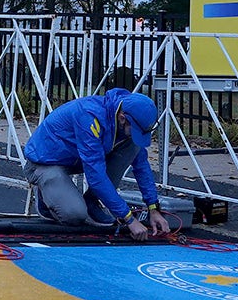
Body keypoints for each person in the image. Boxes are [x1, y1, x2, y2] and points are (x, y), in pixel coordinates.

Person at [23, 88, 172, 241]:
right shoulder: (89, 117)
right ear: (122, 118)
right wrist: (129, 219)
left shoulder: (124, 116)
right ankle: (46, 199)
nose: (137, 135)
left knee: (133, 146)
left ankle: (91, 202)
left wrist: (153, 208)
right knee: (75, 215)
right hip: (44, 163)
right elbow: (95, 176)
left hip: (75, 159)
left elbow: (141, 166)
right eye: (135, 130)